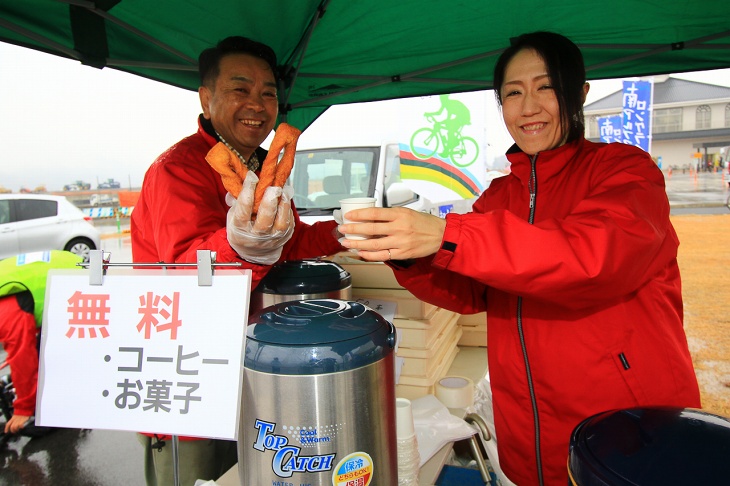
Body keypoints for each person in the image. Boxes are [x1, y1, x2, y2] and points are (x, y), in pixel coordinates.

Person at [338, 31, 701, 485]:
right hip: (525, 433)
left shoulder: (626, 171)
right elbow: (471, 292)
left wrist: (448, 235)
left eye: (545, 87)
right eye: (513, 93)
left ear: (579, 92)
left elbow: (593, 259)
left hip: (626, 433)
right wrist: (407, 255)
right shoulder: (499, 196)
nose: (528, 107)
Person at [130, 36, 343, 485]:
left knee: (249, 471)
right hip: (188, 367)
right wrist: (242, 246)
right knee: (198, 475)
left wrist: (344, 231)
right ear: (206, 98)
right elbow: (187, 273)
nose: (258, 104)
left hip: (247, 360)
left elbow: (290, 239)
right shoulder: (179, 168)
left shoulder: (264, 165)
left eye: (268, 93)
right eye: (240, 89)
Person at [0, 250, 82, 435]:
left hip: (79, 281)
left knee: (49, 357)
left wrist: (23, 409)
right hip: (67, 266)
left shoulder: (4, 313)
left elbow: (22, 356)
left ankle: (57, 412)